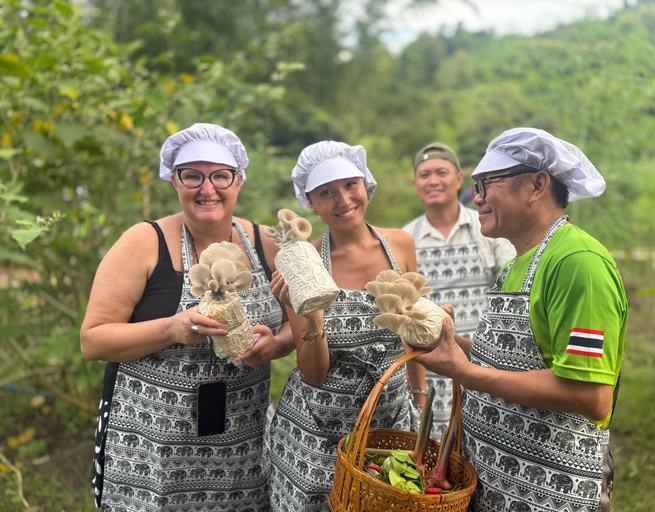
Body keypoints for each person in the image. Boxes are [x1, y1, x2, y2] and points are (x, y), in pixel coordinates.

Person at [80, 123, 294, 511]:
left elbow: (303, 321)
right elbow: (93, 340)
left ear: (239, 180)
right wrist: (172, 328)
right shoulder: (144, 242)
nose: (207, 188)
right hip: (153, 447)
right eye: (192, 175)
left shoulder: (266, 243)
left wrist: (277, 345)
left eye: (220, 175)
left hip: (240, 444)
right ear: (174, 180)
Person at [415, 127, 625, 512]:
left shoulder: (578, 263)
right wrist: (448, 342)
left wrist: (464, 372)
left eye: (486, 184)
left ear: (536, 185)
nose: (477, 198)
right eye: (476, 187)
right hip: (497, 488)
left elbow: (590, 394)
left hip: (551, 494)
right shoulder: (514, 266)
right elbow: (513, 363)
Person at [268, 140, 425, 512]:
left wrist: (418, 402)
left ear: (365, 184)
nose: (343, 200)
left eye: (350, 185)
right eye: (326, 192)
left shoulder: (400, 245)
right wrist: (310, 314)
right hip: (319, 434)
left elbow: (414, 331)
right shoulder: (303, 263)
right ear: (310, 201)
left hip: (389, 421)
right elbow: (314, 373)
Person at [402, 142, 515, 440]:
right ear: (415, 184)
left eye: (441, 172)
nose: (433, 181)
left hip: (483, 364)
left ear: (459, 179)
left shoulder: (486, 228)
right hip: (429, 370)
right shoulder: (405, 238)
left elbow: (510, 285)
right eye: (424, 175)